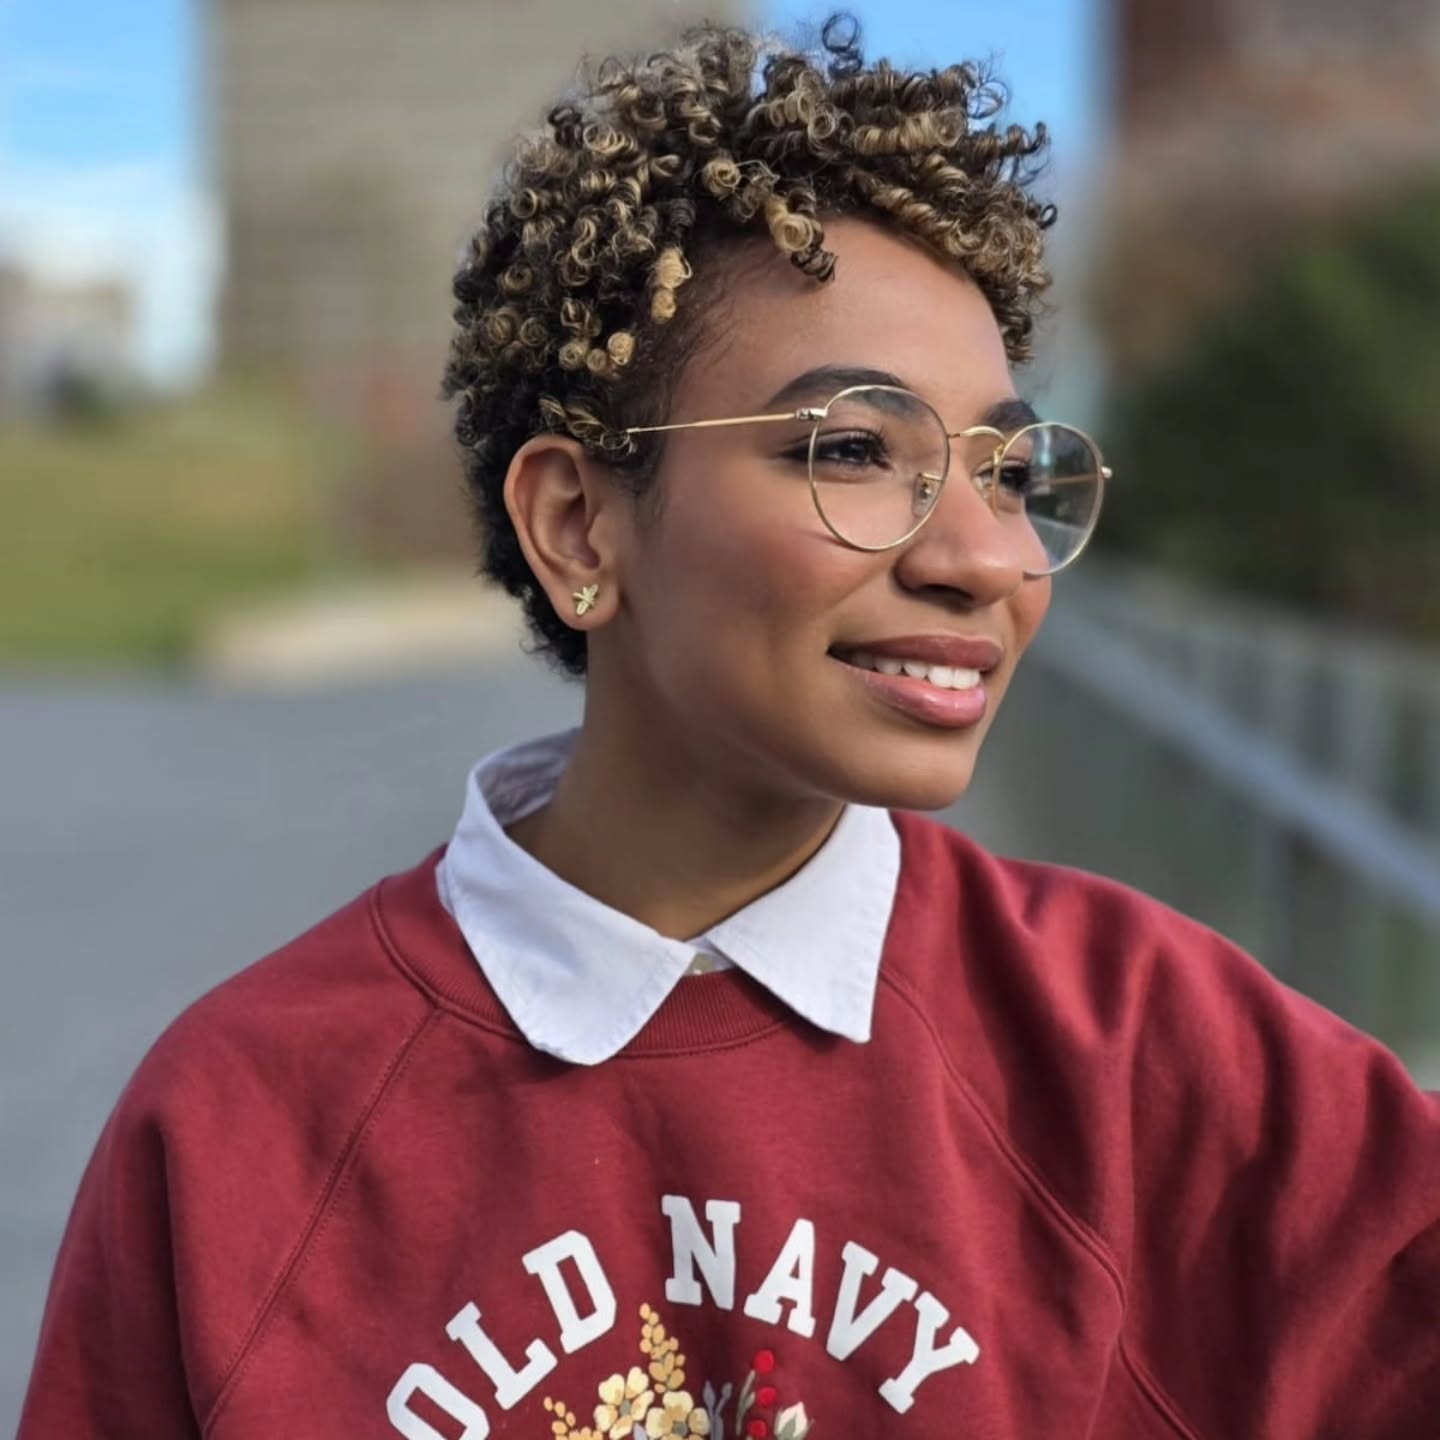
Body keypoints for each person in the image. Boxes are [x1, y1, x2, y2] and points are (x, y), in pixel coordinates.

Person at [18, 16, 1440, 1440]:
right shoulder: (240, 1128)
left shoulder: (1159, 1062)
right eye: (853, 450)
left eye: (1010, 472)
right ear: (577, 522)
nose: (987, 558)